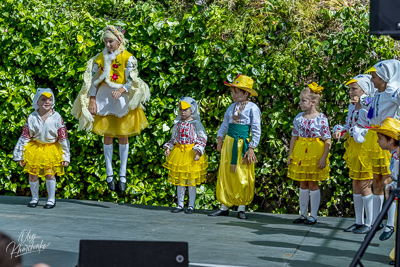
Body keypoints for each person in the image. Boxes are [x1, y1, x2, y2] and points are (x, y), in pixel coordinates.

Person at [72, 25, 150, 192]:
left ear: (118, 41)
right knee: (107, 134)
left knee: (123, 135)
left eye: (111, 41)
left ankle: (122, 173)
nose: (108, 45)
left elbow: (133, 80)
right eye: (106, 42)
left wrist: (122, 89)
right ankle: (109, 173)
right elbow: (92, 81)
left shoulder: (128, 58)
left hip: (121, 100)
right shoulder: (99, 58)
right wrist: (92, 99)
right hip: (103, 99)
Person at [353, 59, 400, 235]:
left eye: (374, 76)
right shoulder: (379, 95)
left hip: (388, 139)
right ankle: (377, 220)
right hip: (376, 138)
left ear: (384, 78)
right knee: (377, 181)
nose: (371, 80)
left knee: (389, 181)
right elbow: (369, 104)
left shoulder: (392, 92)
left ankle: (390, 223)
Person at [208, 74, 261, 220]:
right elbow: (225, 124)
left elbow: (256, 129)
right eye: (232, 92)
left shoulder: (253, 108)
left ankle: (241, 207)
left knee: (242, 173)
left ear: (246, 93)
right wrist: (220, 139)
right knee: (226, 171)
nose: (233, 95)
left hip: (242, 144)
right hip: (229, 143)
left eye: (236, 92)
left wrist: (251, 148)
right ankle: (224, 205)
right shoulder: (231, 107)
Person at [332, 74, 376, 233]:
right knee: (356, 183)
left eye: (354, 89)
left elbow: (372, 120)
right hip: (354, 148)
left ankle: (370, 223)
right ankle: (359, 221)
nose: (351, 92)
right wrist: (341, 131)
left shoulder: (370, 102)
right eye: (350, 89)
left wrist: (362, 102)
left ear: (364, 89)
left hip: (365, 147)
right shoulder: (352, 105)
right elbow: (348, 124)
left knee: (365, 184)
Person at [13, 88, 70, 209]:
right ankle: (34, 198)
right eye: (43, 99)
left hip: (51, 149)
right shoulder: (32, 117)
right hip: (35, 150)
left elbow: (63, 138)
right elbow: (24, 137)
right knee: (33, 174)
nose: (47, 102)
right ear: (37, 102)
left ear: (53, 101)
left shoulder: (57, 117)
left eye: (50, 99)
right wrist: (19, 155)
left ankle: (51, 199)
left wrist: (66, 156)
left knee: (50, 174)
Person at [288, 83, 332, 225]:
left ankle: (313, 215)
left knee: (313, 183)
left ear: (313, 102)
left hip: (315, 151)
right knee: (303, 183)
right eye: (300, 100)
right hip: (301, 151)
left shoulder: (321, 118)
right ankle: (302, 214)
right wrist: (290, 155)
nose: (300, 103)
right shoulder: (299, 118)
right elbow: (294, 136)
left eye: (303, 100)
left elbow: (327, 139)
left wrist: (324, 157)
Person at [163, 97, 208, 214]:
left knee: (191, 181)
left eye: (185, 110)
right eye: (180, 110)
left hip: (191, 154)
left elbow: (202, 138)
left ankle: (191, 205)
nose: (182, 112)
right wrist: (168, 148)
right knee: (180, 181)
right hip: (179, 153)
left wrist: (198, 151)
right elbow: (173, 138)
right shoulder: (177, 123)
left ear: (191, 109)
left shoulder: (196, 124)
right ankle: (180, 204)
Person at [367, 117, 400, 263]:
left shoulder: (398, 156)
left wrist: (392, 186)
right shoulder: (394, 154)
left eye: (380, 138)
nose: (377, 141)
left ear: (391, 140)